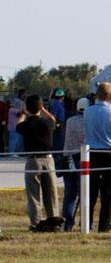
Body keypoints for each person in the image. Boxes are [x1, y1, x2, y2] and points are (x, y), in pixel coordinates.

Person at [84, 82, 111, 231]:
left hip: (91, 153)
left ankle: (87, 222)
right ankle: (104, 226)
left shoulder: (88, 111)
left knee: (91, 190)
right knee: (107, 192)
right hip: (110, 153)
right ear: (110, 96)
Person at [16, 95, 58, 229]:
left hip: (33, 160)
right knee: (51, 192)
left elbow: (18, 125)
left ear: (27, 108)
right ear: (40, 107)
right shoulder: (47, 123)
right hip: (48, 160)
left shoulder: (26, 125)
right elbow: (53, 119)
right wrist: (43, 109)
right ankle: (53, 220)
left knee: (33, 194)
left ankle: (36, 222)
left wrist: (23, 113)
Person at [59, 96, 87, 229]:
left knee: (69, 195)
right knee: (85, 193)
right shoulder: (89, 121)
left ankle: (67, 223)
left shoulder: (70, 121)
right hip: (84, 159)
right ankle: (85, 223)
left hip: (69, 159)